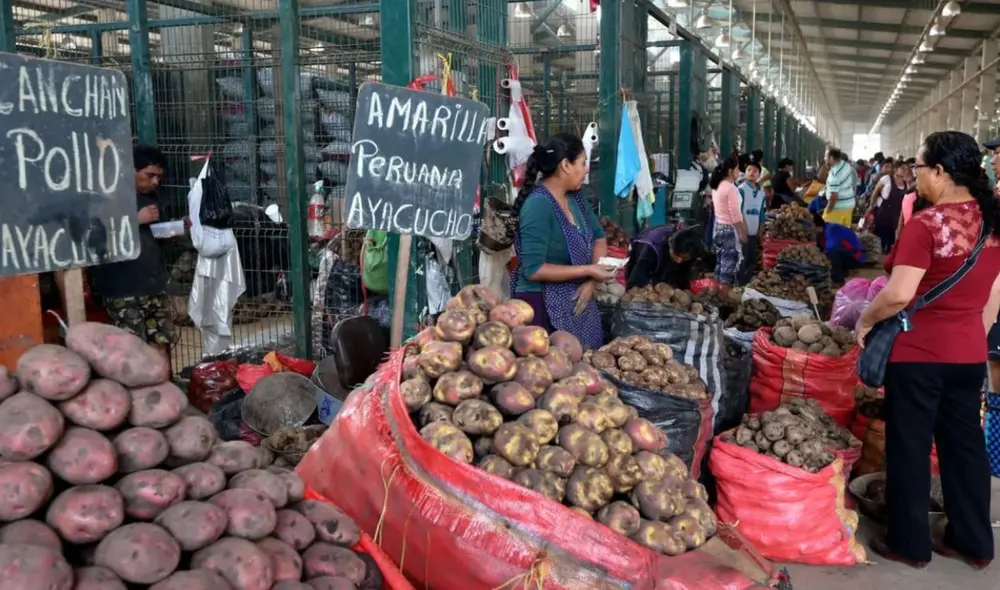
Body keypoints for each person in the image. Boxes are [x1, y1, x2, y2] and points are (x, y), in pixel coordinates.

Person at [856, 130, 1000, 570]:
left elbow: (899, 295)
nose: (915, 176)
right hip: (968, 354)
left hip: (918, 355)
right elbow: (994, 297)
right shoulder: (992, 221)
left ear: (940, 171)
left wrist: (865, 319)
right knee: (965, 449)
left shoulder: (927, 224)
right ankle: (974, 543)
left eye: (919, 168)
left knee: (910, 448)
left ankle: (910, 544)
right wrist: (972, 334)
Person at [511, 133, 616, 350]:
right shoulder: (538, 205)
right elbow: (534, 269)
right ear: (566, 165)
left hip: (578, 299)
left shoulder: (575, 198)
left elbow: (598, 237)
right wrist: (589, 270)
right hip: (539, 303)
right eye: (583, 162)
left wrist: (591, 282)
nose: (586, 169)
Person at [92, 146, 176, 366]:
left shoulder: (153, 197)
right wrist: (134, 221)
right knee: (131, 348)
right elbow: (96, 239)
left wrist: (173, 231)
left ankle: (165, 390)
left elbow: (158, 235)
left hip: (154, 285)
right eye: (149, 175)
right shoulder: (108, 196)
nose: (155, 182)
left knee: (161, 342)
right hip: (123, 289)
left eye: (159, 177)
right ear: (131, 170)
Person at [624, 226, 705, 290]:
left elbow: (683, 275)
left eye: (684, 258)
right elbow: (636, 279)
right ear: (670, 245)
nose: (679, 260)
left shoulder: (689, 250)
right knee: (638, 283)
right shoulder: (652, 247)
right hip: (643, 251)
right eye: (676, 255)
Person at [710, 156, 746, 286]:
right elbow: (735, 214)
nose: (739, 173)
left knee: (720, 263)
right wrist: (741, 232)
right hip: (729, 230)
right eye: (737, 170)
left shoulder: (717, 186)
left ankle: (715, 293)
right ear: (730, 171)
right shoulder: (731, 189)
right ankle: (724, 296)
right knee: (728, 266)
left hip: (718, 227)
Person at [812, 213, 864, 284]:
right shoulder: (820, 234)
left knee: (831, 252)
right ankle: (844, 271)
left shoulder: (831, 229)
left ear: (815, 225)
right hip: (845, 255)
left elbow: (831, 247)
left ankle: (838, 281)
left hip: (856, 257)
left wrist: (821, 259)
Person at [737, 162, 767, 284]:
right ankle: (739, 284)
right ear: (745, 173)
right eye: (749, 170)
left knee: (752, 259)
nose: (752, 173)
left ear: (759, 174)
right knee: (741, 259)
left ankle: (747, 284)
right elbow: (738, 211)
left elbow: (761, 212)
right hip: (742, 231)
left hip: (754, 232)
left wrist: (761, 229)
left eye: (755, 171)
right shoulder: (741, 190)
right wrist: (742, 230)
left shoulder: (761, 192)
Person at [867, 164, 907, 253]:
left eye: (906, 169)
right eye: (902, 168)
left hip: (896, 212)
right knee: (880, 230)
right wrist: (872, 204)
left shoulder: (905, 183)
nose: (904, 170)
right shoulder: (887, 179)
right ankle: (877, 251)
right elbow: (876, 191)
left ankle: (888, 251)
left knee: (891, 232)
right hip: (883, 210)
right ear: (896, 169)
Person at [822, 148, 856, 226]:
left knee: (829, 228)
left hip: (839, 207)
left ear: (831, 158)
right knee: (844, 230)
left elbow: (834, 196)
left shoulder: (834, 175)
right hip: (849, 204)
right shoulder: (845, 164)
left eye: (826, 156)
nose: (824, 158)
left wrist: (828, 209)